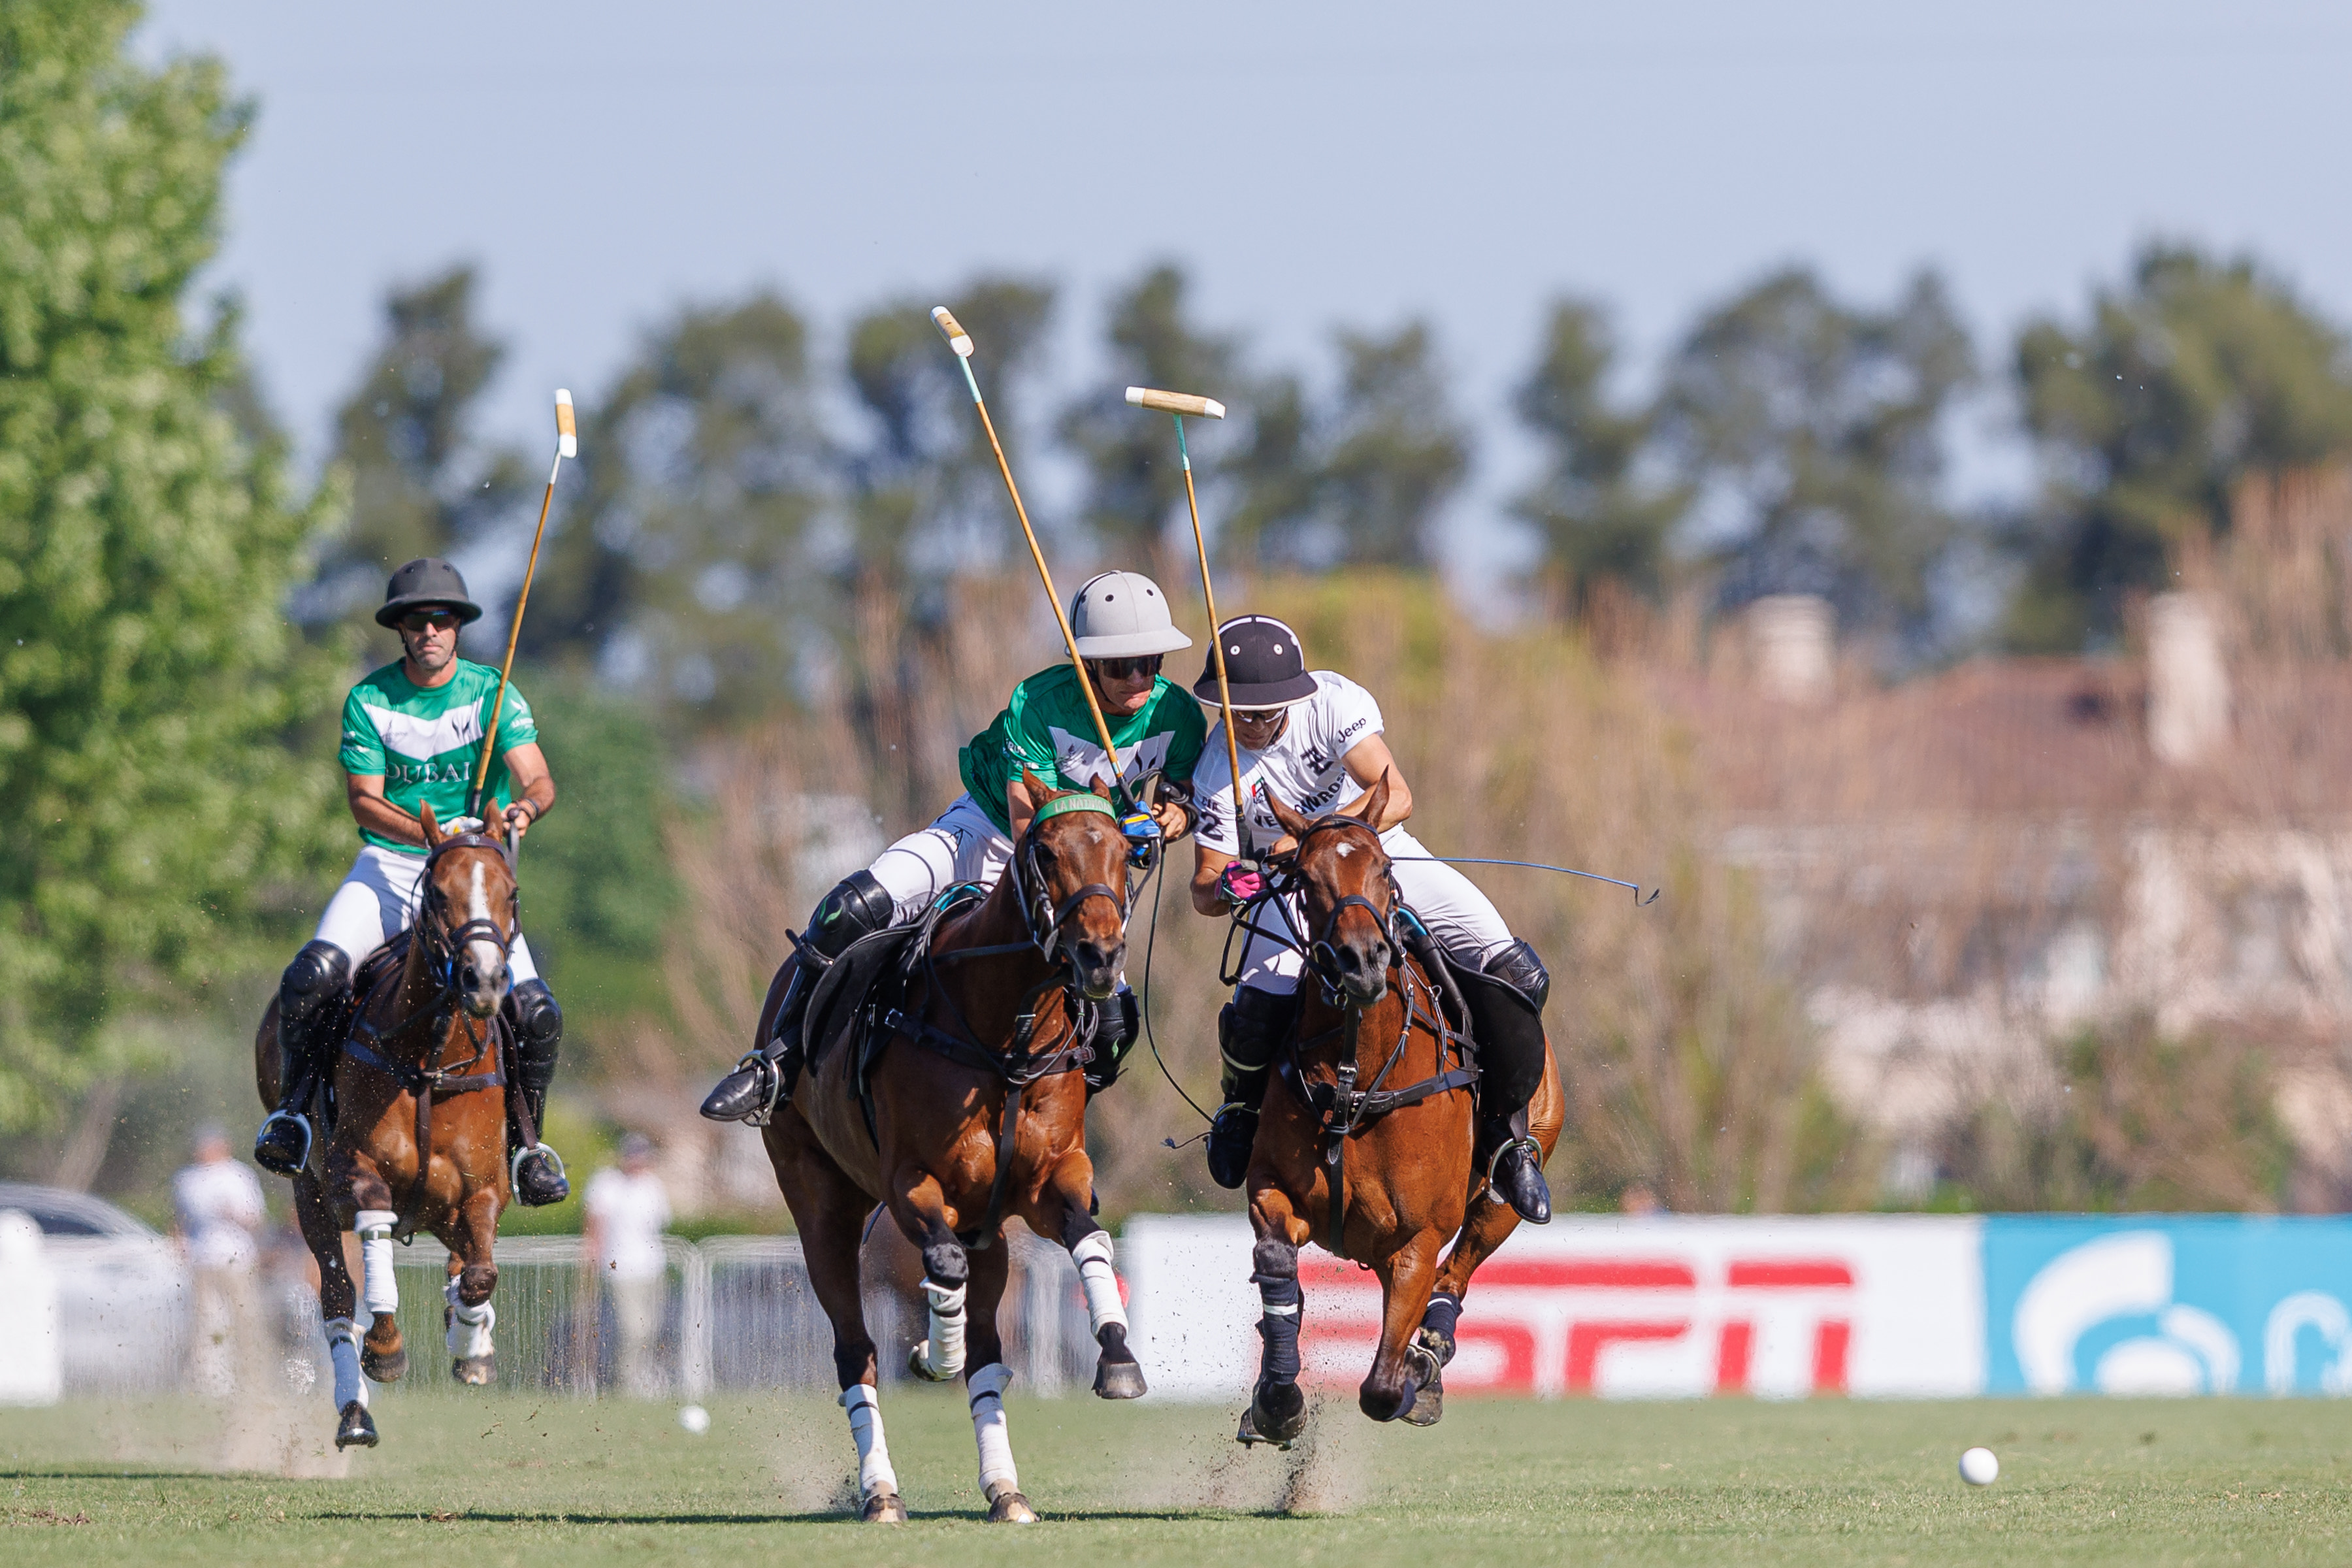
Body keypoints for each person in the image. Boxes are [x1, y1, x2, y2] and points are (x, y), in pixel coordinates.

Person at [700, 570, 1206, 1123]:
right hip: (991, 834)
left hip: (1086, 872)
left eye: (1151, 662)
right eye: (1119, 665)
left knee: (1114, 1031)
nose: (1138, 678)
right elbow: (1025, 826)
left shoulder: (1178, 714)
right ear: (1087, 663)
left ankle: (1047, 1144)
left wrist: (1169, 819)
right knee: (847, 908)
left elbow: (1179, 797)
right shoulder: (1038, 703)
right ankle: (775, 1063)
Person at [1186, 614, 1554, 1223]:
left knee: (1513, 970)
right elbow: (1205, 888)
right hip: (1295, 886)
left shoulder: (1333, 703)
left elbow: (1397, 794)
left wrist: (1326, 836)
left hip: (1382, 853)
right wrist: (1244, 877)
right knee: (1256, 1009)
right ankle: (1242, 1111)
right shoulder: (1214, 771)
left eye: (1264, 711)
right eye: (1237, 711)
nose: (1250, 724)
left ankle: (1505, 1137)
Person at [254, 558, 571, 1205]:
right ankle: (293, 1117)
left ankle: (528, 1147)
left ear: (457, 627)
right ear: (400, 629)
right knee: (311, 978)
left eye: (441, 619)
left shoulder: (493, 693)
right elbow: (365, 802)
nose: (429, 630)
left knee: (537, 1013)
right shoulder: (370, 700)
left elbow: (538, 778)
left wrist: (521, 811)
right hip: (392, 866)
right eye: (416, 621)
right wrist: (430, 833)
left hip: (472, 877)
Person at [174, 1124, 267, 1396]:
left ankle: (252, 1380)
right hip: (202, 1259)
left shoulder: (239, 1175)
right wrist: (179, 1241)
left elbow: (256, 1219)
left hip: (237, 1260)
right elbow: (180, 1219)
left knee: (246, 1320)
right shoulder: (186, 1179)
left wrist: (233, 1214)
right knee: (205, 1323)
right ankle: (209, 1385)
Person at [583, 1133, 672, 1397]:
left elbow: (660, 1226)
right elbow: (594, 1227)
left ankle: (645, 1377)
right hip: (620, 1268)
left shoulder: (652, 1186)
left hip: (653, 1267)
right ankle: (628, 1382)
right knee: (633, 1329)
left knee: (652, 1329)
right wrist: (591, 1258)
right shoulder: (606, 1183)